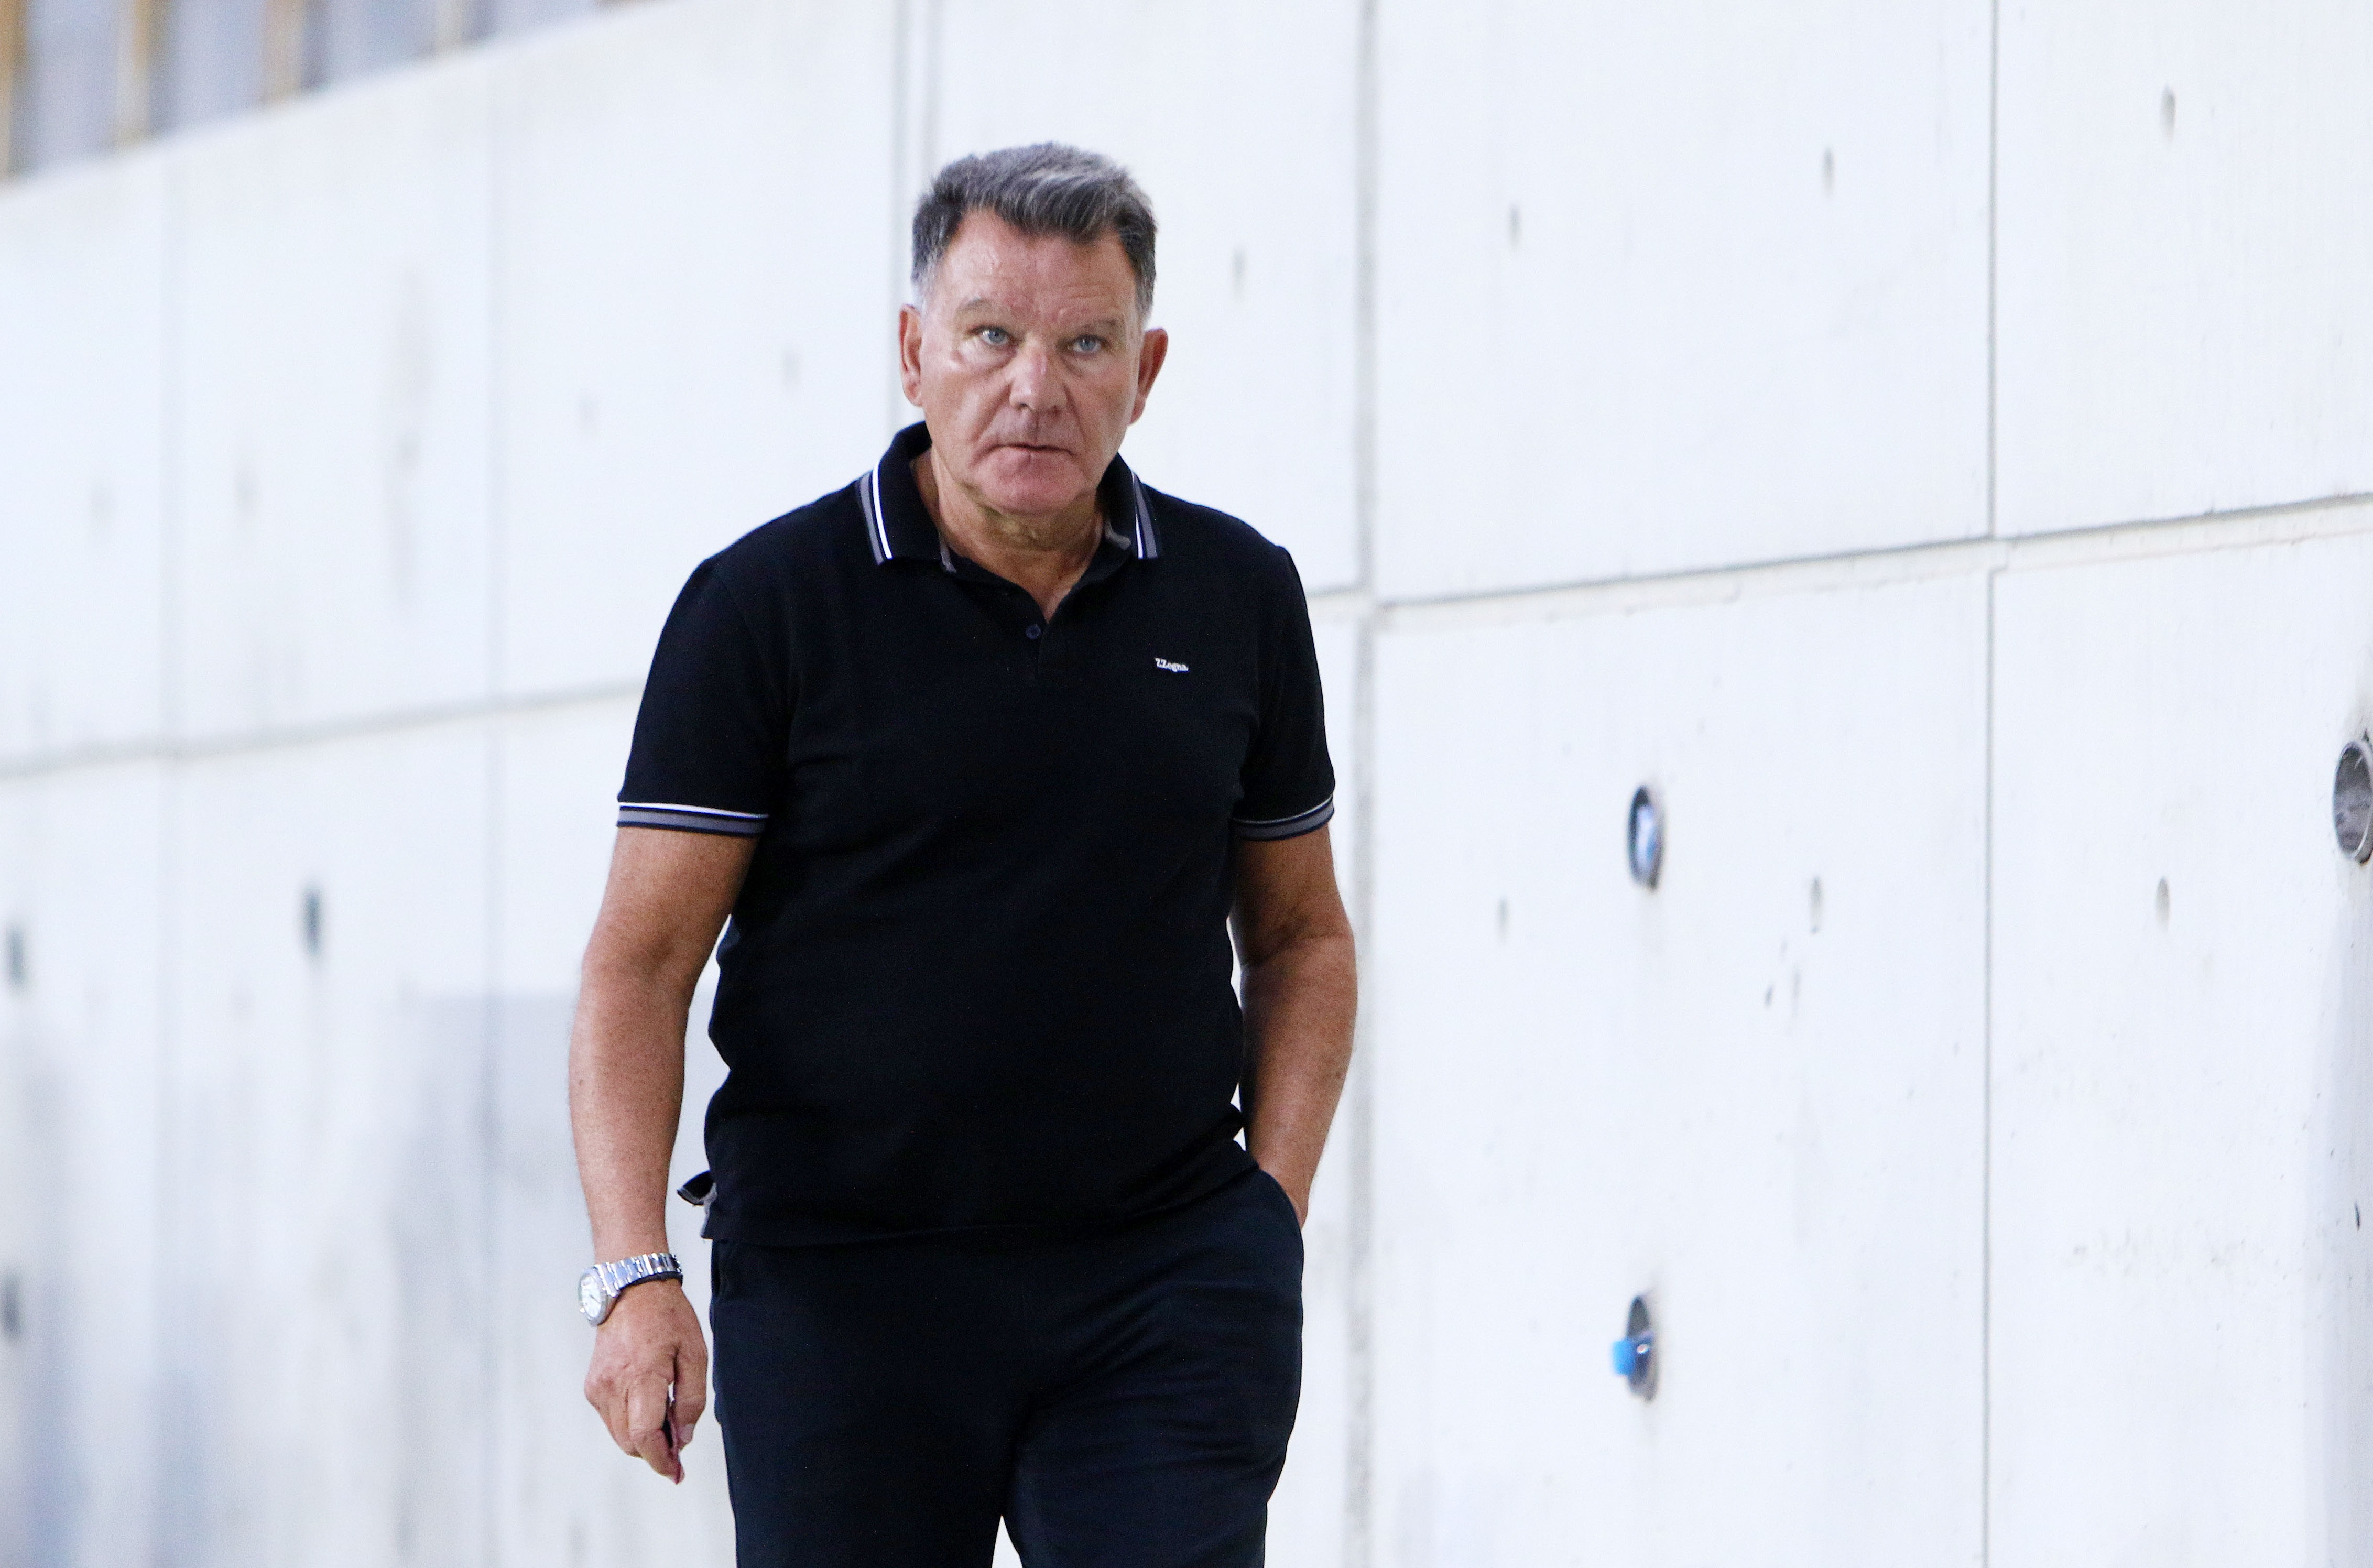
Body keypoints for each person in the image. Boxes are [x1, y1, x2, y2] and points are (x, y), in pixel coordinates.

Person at [568, 141, 1357, 1567]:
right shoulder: (765, 609)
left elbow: (1302, 935)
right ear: (913, 352)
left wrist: (1269, 1218)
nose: (1034, 387)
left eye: (1085, 344)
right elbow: (640, 965)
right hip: (842, 1291)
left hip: (1161, 1292)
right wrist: (634, 1275)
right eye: (990, 336)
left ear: (1146, 370)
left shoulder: (1238, 595)